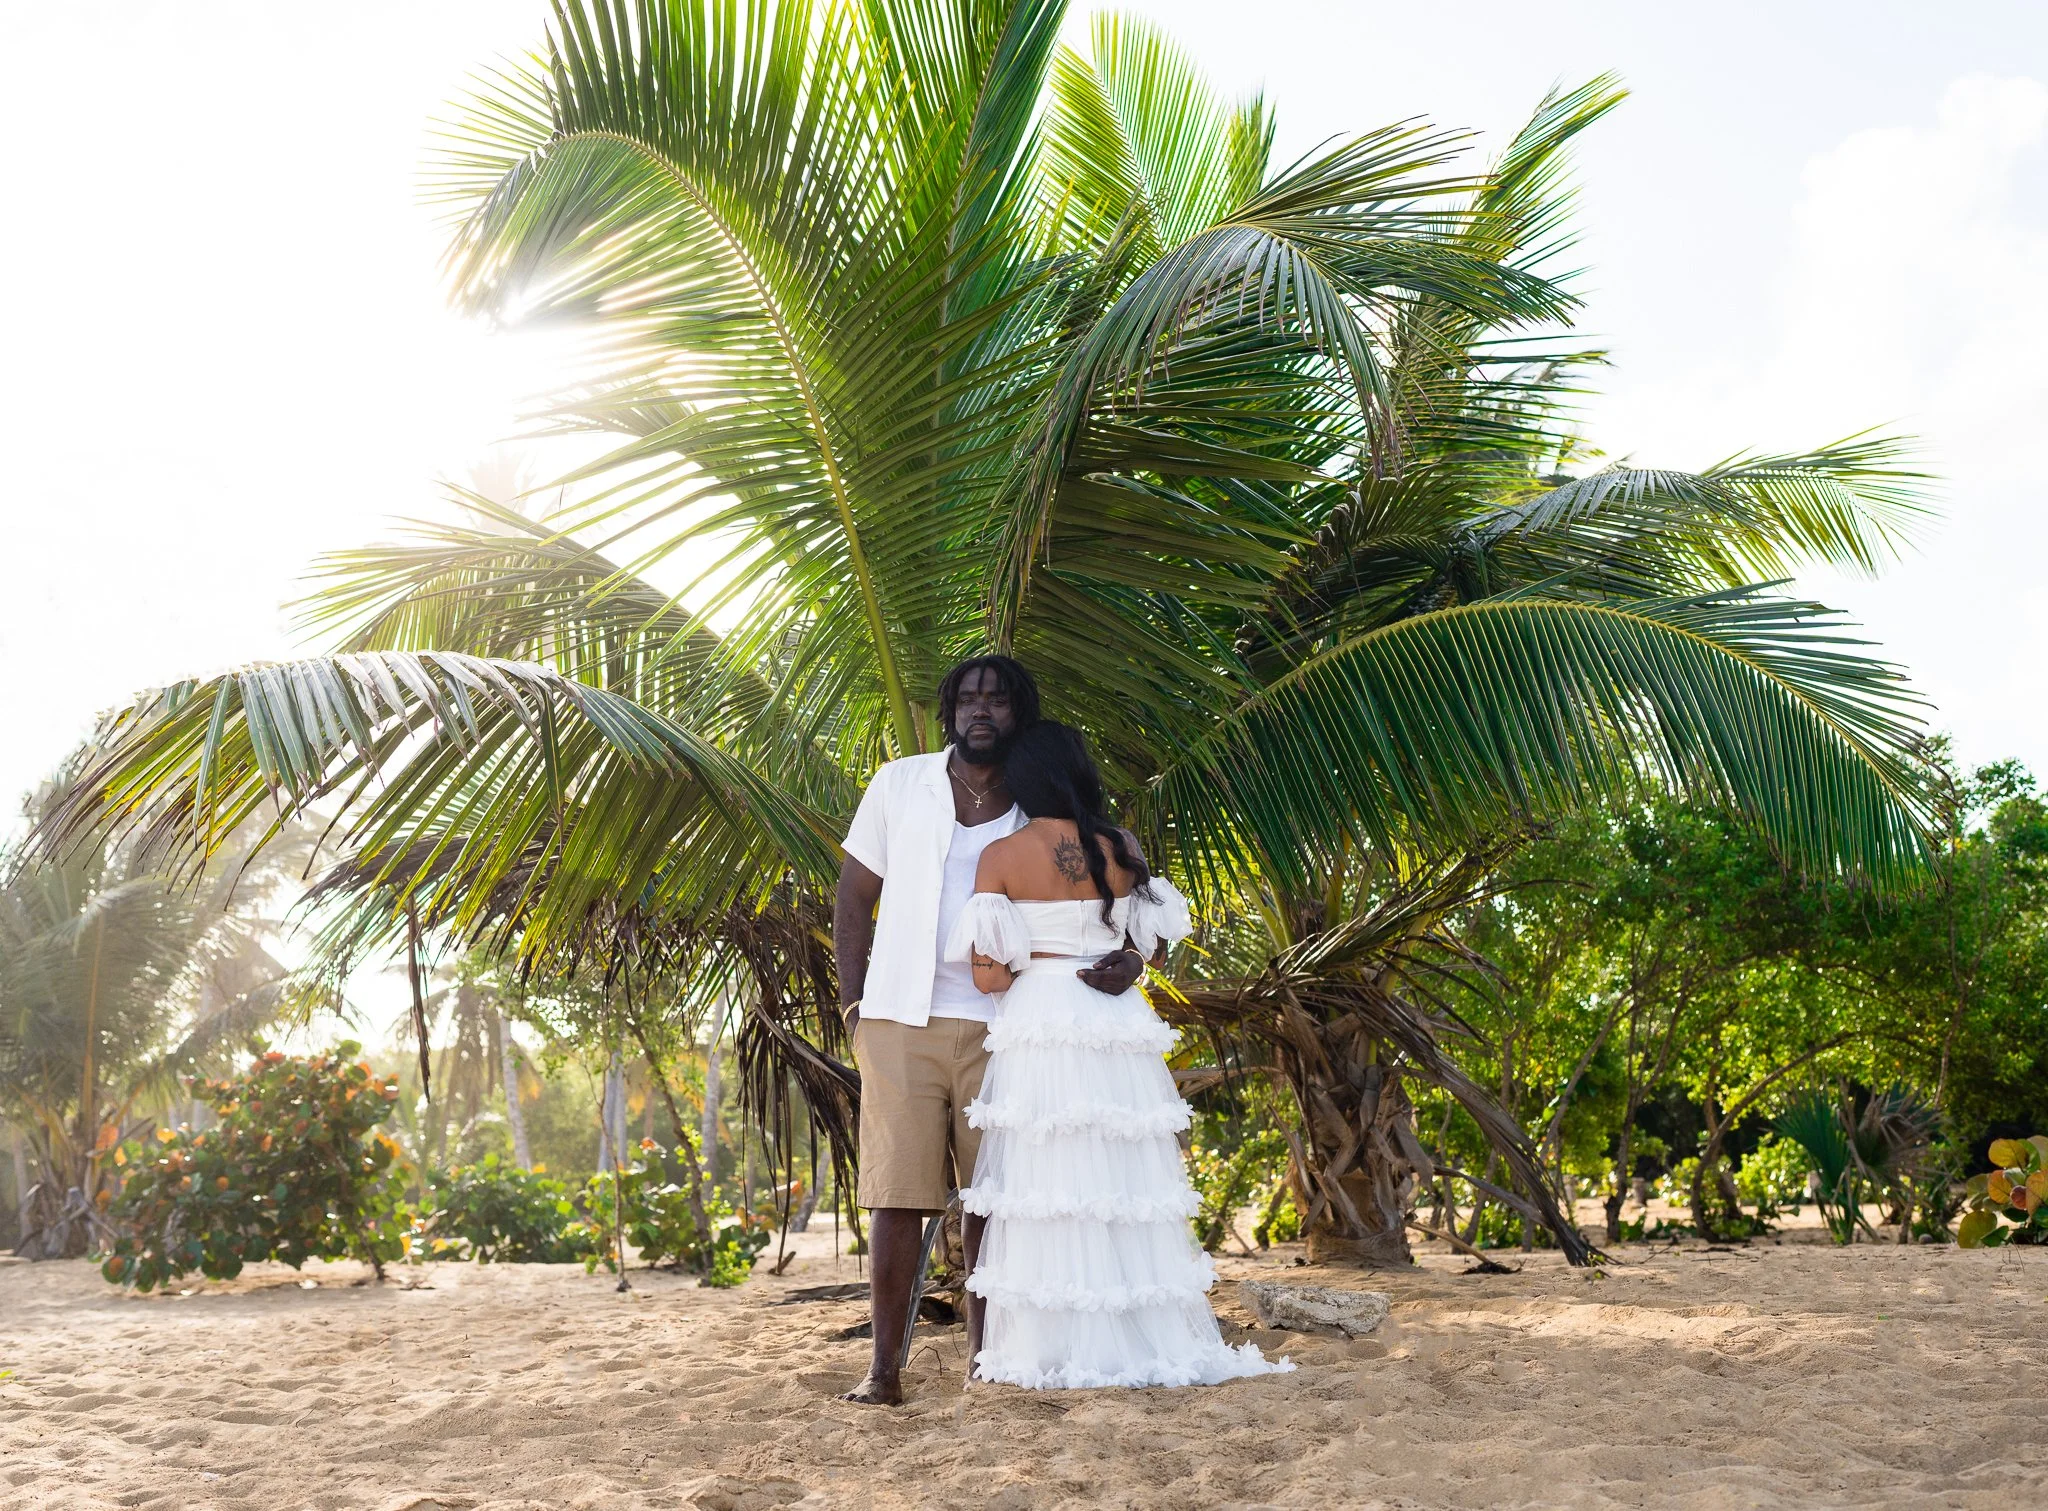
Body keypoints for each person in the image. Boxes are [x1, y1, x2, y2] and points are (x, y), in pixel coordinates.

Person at [834, 659, 1149, 1406]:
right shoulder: (899, 783)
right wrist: (853, 1006)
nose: (982, 710)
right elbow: (853, 898)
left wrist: (1135, 958)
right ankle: (883, 1370)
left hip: (1008, 1025)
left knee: (995, 1201)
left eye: (998, 700)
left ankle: (987, 1361)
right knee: (895, 1198)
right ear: (950, 709)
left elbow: (1114, 905)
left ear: (1018, 713)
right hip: (899, 1017)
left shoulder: (1041, 801)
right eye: (969, 698)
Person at [946, 721, 1294, 1389]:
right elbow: (1149, 947)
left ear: (1022, 778)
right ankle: (1139, 1332)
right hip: (1115, 1017)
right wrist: (1123, 958)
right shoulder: (1120, 846)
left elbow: (989, 977)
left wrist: (1028, 962)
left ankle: (1057, 1339)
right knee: (1125, 1175)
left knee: (1051, 1174)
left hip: (1045, 1017)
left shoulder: (1001, 854)